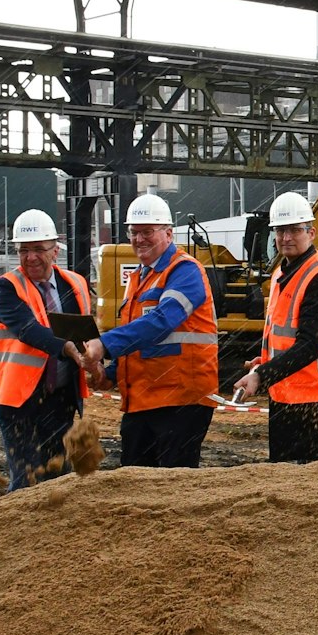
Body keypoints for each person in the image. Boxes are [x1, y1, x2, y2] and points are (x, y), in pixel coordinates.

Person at [83, 192, 219, 467]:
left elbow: (161, 322)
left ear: (168, 234)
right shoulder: (139, 277)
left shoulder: (185, 271)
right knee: (135, 481)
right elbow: (139, 339)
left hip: (180, 400)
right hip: (144, 399)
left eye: (147, 232)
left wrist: (104, 345)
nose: (139, 239)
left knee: (171, 488)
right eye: (134, 232)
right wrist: (109, 375)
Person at [231, 191, 318, 461]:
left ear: (312, 232)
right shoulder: (283, 273)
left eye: (295, 230)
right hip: (291, 397)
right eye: (280, 231)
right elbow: (285, 335)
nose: (286, 238)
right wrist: (267, 359)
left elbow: (309, 345)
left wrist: (262, 376)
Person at [0, 209, 96, 491]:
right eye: (23, 250)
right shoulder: (5, 289)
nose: (30, 257)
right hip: (19, 401)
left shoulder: (76, 284)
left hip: (61, 399)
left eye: (38, 249)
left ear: (55, 250)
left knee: (59, 476)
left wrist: (97, 360)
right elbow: (28, 330)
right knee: (27, 481)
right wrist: (67, 348)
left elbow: (84, 333)